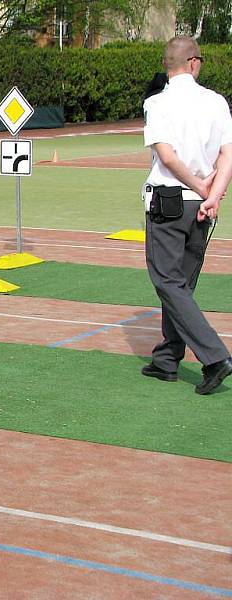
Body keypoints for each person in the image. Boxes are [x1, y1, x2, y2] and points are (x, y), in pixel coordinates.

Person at [140, 36, 232, 394]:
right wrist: (214, 193)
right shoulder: (216, 102)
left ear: (169, 65)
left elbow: (167, 156)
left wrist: (196, 184)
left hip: (169, 200)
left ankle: (214, 357)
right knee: (182, 284)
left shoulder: (156, 103)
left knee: (167, 281)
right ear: (193, 62)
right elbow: (227, 155)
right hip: (202, 205)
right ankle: (167, 358)